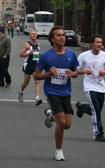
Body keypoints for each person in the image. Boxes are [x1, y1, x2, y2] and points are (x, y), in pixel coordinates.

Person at [34, 26, 79, 161]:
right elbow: (36, 75)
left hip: (66, 91)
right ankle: (58, 152)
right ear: (52, 39)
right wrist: (49, 74)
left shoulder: (71, 54)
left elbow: (76, 72)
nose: (62, 38)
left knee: (67, 125)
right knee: (62, 122)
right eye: (59, 35)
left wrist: (73, 73)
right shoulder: (46, 56)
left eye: (63, 35)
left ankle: (51, 115)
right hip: (52, 91)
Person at [76, 34, 105, 142]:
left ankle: (82, 108)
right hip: (89, 87)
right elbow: (76, 69)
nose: (99, 44)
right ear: (92, 43)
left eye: (101, 42)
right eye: (97, 42)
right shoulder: (84, 56)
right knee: (96, 110)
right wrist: (85, 71)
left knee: (96, 110)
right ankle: (99, 133)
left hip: (101, 87)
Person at [18, 30, 41, 104]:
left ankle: (37, 98)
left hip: (35, 65)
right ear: (30, 36)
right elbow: (21, 54)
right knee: (26, 83)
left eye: (35, 34)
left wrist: (40, 55)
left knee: (37, 81)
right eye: (32, 34)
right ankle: (21, 91)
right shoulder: (27, 44)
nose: (34, 35)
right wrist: (29, 54)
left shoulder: (38, 44)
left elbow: (36, 55)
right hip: (28, 65)